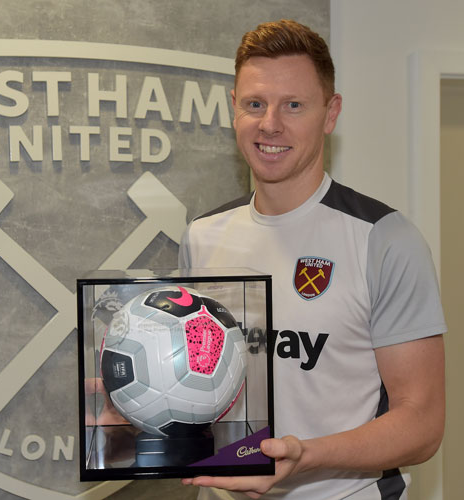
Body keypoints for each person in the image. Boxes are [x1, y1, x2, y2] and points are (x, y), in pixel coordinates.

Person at [178, 19, 446, 500]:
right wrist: (141, 408)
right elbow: (201, 379)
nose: (270, 124)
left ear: (330, 112)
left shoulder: (384, 240)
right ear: (233, 108)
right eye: (254, 104)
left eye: (294, 105)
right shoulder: (202, 236)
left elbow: (422, 424)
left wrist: (305, 457)